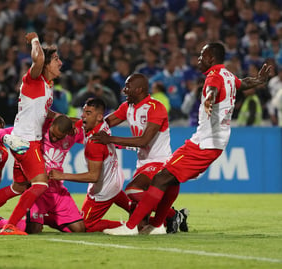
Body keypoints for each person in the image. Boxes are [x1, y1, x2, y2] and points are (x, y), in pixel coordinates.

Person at [103, 42, 272, 236]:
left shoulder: (214, 77)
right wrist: (258, 80)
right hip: (203, 140)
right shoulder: (228, 76)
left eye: (202, 56)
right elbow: (243, 83)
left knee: (161, 178)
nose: (198, 60)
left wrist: (209, 98)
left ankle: (132, 227)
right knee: (170, 180)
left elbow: (212, 90)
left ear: (211, 58)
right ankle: (157, 225)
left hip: (206, 143)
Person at [0, 31, 62, 235]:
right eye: (56, 59)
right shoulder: (34, 79)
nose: (60, 63)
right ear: (45, 65)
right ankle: (10, 226)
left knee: (17, 188)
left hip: (21, 139)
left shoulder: (47, 85)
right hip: (27, 142)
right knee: (41, 184)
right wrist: (35, 39)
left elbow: (43, 110)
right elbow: (39, 58)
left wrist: (66, 119)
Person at [91, 73, 188, 234]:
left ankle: (171, 214)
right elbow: (105, 123)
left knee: (132, 190)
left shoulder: (156, 108)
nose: (124, 89)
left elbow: (144, 141)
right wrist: (84, 125)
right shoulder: (127, 107)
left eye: (128, 86)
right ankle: (174, 216)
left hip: (159, 162)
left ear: (139, 90)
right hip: (142, 164)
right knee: (141, 226)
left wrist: (110, 139)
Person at [0, 115, 85, 234]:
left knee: (79, 229)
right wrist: (6, 137)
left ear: (68, 133)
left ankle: (45, 219)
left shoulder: (73, 135)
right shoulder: (36, 132)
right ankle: (0, 222)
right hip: (38, 190)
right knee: (34, 230)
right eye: (52, 134)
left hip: (58, 191)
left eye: (58, 137)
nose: (53, 138)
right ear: (50, 125)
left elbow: (89, 124)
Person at [49, 98, 133, 232]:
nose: (83, 116)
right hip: (114, 180)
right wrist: (54, 116)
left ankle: (129, 227)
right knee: (136, 209)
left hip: (103, 190)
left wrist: (61, 175)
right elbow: (78, 121)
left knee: (85, 226)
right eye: (83, 112)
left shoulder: (95, 142)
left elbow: (93, 176)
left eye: (88, 113)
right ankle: (165, 218)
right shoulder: (102, 123)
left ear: (99, 116)